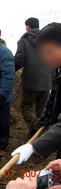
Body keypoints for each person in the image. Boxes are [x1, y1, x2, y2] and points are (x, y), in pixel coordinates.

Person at [12, 23, 61, 164]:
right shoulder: (57, 68)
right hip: (43, 85)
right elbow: (53, 98)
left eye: (50, 53)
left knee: (26, 106)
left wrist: (35, 146)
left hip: (32, 83)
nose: (46, 59)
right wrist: (45, 120)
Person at [14, 17, 52, 139]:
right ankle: (34, 137)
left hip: (31, 81)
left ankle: (39, 130)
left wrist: (10, 70)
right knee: (39, 111)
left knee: (26, 107)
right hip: (47, 81)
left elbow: (19, 59)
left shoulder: (24, 40)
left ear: (27, 27)